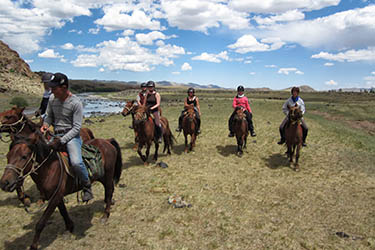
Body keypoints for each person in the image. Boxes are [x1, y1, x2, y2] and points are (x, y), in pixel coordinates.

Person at [40, 72, 93, 202]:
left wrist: (62, 140)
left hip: (71, 137)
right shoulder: (52, 99)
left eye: (54, 88)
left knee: (76, 162)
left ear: (63, 88)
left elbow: (76, 128)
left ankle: (86, 186)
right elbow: (49, 116)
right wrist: (46, 125)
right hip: (55, 133)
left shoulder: (76, 103)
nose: (51, 90)